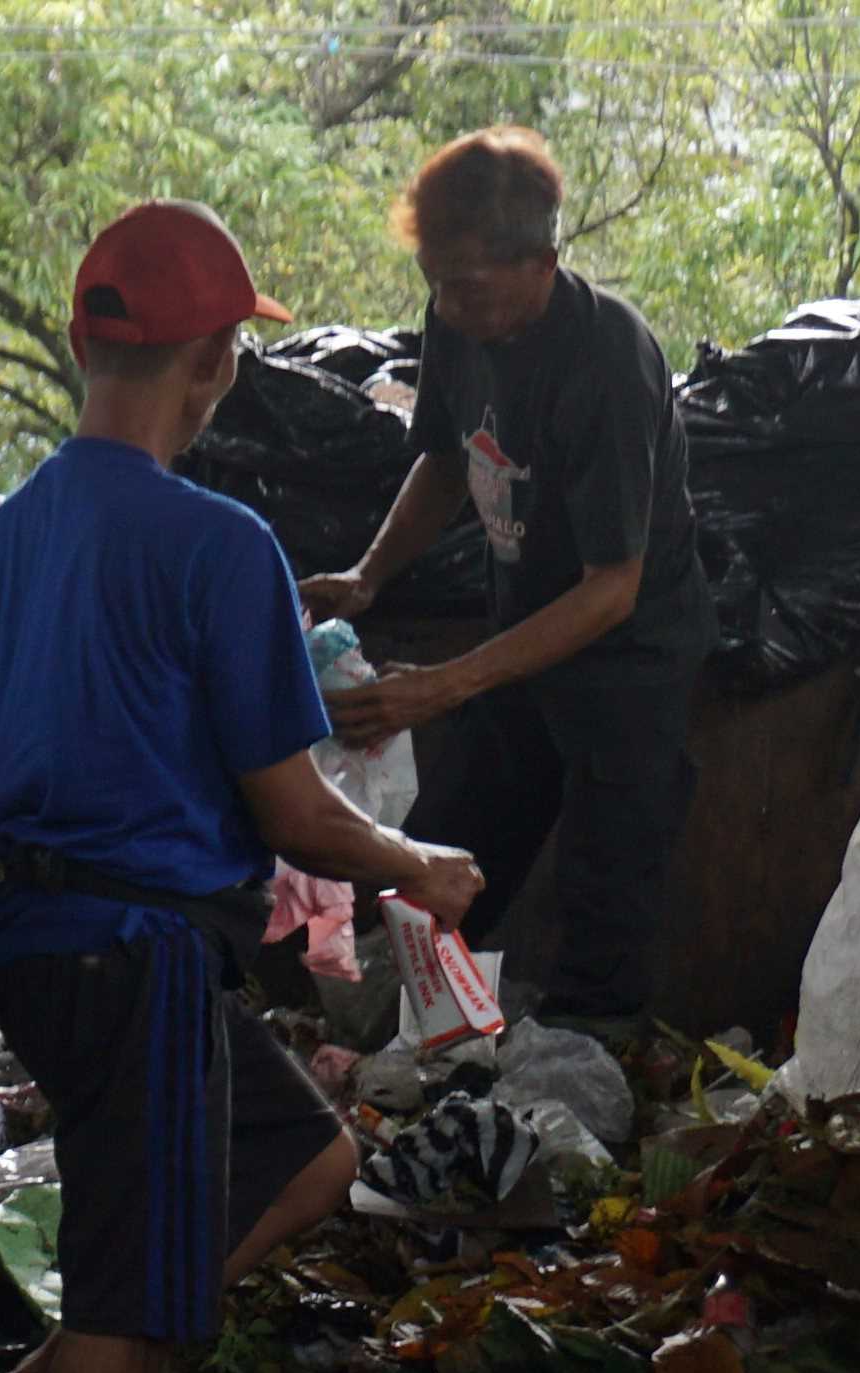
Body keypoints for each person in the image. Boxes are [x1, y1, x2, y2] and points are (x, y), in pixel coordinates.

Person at [0, 199, 485, 1373]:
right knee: (127, 1312)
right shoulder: (217, 545)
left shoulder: (6, 536)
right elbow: (295, 809)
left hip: (47, 944)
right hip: (134, 953)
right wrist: (422, 869)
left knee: (312, 1155)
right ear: (209, 361)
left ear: (79, 342)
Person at [304, 127, 707, 1035]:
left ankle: (582, 1097)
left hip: (625, 662)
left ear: (542, 261)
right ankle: (425, 1050)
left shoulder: (606, 364)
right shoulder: (456, 323)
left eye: (469, 286)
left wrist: (443, 685)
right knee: (443, 862)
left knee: (605, 897)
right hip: (520, 636)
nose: (446, 306)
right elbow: (447, 461)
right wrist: (369, 576)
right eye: (435, 282)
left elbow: (613, 588)